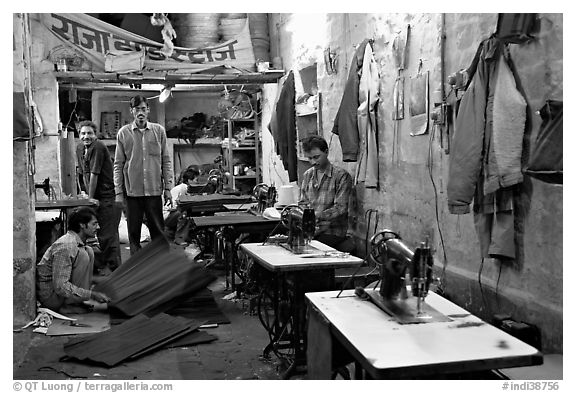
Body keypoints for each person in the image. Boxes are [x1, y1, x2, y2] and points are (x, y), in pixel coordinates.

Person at [113, 95, 174, 255]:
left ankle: (161, 266)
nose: (140, 112)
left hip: (154, 190)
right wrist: (119, 193)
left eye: (143, 109)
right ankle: (137, 268)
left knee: (158, 232)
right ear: (131, 111)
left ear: (148, 110)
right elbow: (118, 165)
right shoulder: (123, 133)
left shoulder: (158, 131)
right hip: (132, 192)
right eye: (137, 109)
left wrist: (168, 188)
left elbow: (166, 161)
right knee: (134, 234)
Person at [36, 207, 111, 313]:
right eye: (94, 224)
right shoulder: (66, 246)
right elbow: (60, 286)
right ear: (82, 225)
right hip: (50, 298)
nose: (98, 227)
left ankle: (76, 302)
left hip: (58, 293)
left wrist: (101, 281)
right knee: (84, 255)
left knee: (88, 251)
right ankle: (67, 305)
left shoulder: (76, 243)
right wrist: (91, 295)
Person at [76, 120, 122, 273]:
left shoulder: (98, 147)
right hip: (96, 197)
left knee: (107, 235)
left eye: (89, 133)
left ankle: (113, 269)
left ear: (95, 135)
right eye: (83, 133)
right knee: (103, 235)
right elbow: (83, 174)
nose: (86, 136)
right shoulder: (80, 148)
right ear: (79, 135)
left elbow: (94, 174)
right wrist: (86, 195)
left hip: (108, 196)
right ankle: (107, 267)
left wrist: (90, 197)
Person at [299, 135, 354, 251]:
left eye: (316, 157)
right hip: (312, 229)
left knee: (309, 250)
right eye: (309, 158)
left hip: (333, 231)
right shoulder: (308, 175)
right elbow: (302, 203)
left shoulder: (341, 176)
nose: (313, 162)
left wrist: (318, 216)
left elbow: (341, 208)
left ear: (326, 152)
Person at [164, 167, 200, 246]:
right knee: (184, 213)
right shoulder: (183, 188)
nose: (197, 183)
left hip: (172, 215)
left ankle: (186, 236)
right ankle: (179, 238)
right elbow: (172, 207)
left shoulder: (187, 189)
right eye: (196, 180)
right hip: (168, 216)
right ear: (189, 180)